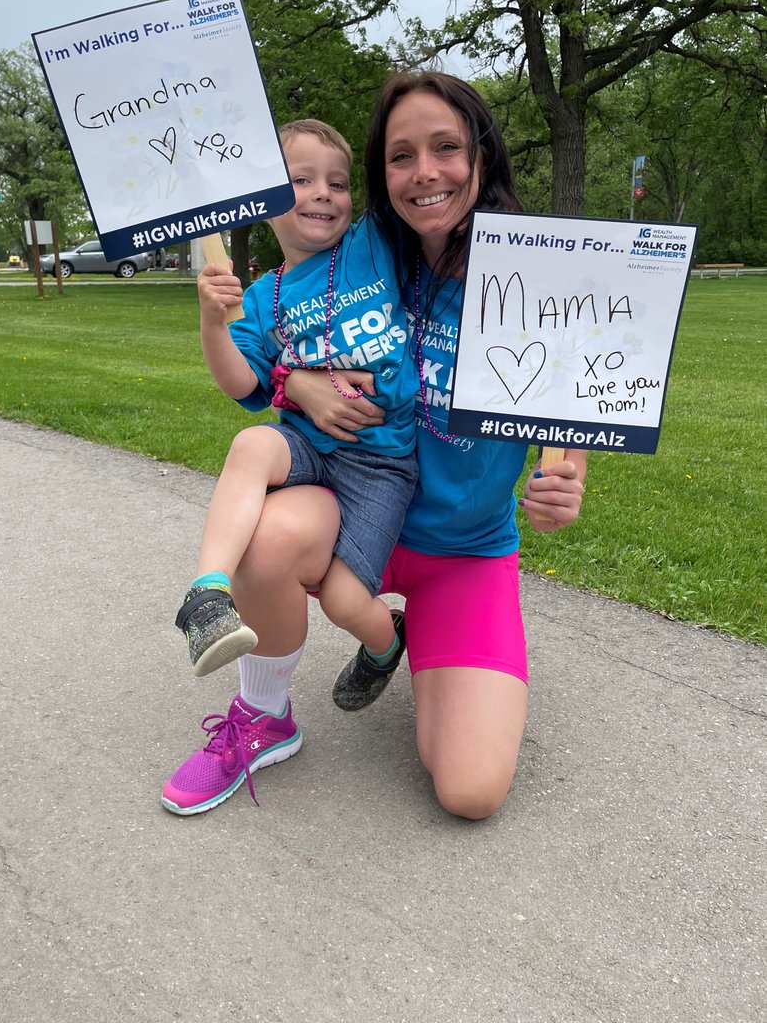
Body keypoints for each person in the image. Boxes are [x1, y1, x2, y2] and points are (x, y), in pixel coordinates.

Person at [162, 74, 586, 819]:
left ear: (481, 155)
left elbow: (577, 397)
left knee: (470, 791)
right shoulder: (375, 252)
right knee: (268, 536)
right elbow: (269, 352)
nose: (425, 171)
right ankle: (263, 714)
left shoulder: (535, 275)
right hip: (355, 506)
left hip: (461, 549)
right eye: (401, 155)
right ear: (381, 177)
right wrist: (296, 383)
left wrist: (566, 476)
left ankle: (412, 643)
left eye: (446, 147)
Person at [174, 120, 419, 709]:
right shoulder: (262, 295)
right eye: (300, 180)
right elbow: (244, 384)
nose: (322, 193)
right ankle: (208, 592)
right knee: (251, 444)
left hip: (380, 463)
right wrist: (213, 321)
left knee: (342, 601)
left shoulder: (369, 247)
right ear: (263, 202)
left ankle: (387, 645)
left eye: (337, 183)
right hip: (308, 446)